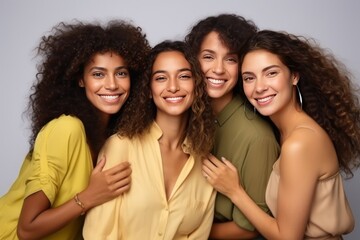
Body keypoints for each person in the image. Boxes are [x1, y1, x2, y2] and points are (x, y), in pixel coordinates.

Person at [202, 30, 360, 239]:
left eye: (271, 73)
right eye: (249, 78)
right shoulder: (287, 132)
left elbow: (287, 237)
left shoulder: (300, 143)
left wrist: (235, 191)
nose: (259, 87)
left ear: (294, 76)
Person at [0, 20, 150, 240]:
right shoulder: (67, 128)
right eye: (98, 74)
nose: (111, 85)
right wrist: (88, 197)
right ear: (81, 79)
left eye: (121, 73)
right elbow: (27, 229)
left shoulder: (111, 137)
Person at [83, 40, 216, 239]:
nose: (173, 87)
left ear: (197, 87)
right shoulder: (121, 147)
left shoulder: (205, 164)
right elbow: (97, 234)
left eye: (184, 76)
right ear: (148, 90)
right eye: (161, 78)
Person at [185, 14, 280, 239]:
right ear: (193, 60)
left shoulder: (257, 137)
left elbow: (249, 229)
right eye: (208, 57)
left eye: (230, 59)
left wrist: (184, 234)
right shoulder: (183, 116)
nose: (218, 69)